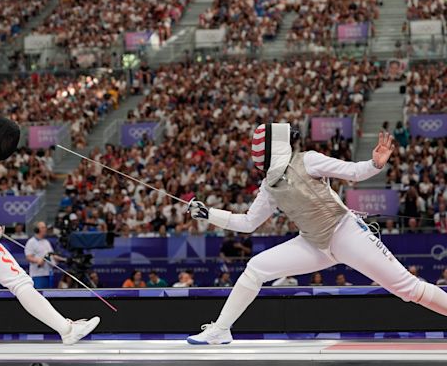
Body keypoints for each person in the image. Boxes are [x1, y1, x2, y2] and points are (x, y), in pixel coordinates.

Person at [187, 123, 447, 345]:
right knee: (255, 267)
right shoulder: (269, 187)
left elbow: (353, 171)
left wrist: (374, 164)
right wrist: (208, 214)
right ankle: (220, 330)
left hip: (345, 233)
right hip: (313, 244)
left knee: (408, 289)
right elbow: (247, 222)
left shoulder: (308, 160)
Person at [0, 113, 99, 345]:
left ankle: (67, 328)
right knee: (20, 281)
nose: (5, 147)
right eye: (2, 140)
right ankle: (67, 330)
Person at [25, 221, 65, 289]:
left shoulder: (46, 242)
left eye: (45, 227)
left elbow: (51, 255)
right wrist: (38, 260)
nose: (45, 229)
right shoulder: (31, 242)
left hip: (48, 273)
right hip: (38, 275)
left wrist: (63, 259)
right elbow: (28, 257)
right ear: (37, 229)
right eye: (43, 227)